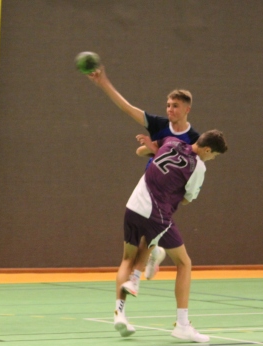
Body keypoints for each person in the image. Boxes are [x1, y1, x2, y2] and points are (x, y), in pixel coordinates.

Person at [86, 64, 200, 280]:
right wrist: (103, 83)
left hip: (170, 194)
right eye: (167, 105)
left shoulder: (194, 139)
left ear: (187, 109)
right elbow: (127, 108)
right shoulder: (159, 125)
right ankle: (150, 256)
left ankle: (151, 255)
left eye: (175, 106)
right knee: (141, 234)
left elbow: (196, 167)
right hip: (150, 188)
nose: (169, 109)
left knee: (152, 235)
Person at [113, 130, 227, 342]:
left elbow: (147, 151)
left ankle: (119, 312)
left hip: (132, 206)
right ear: (208, 149)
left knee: (128, 257)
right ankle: (182, 324)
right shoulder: (198, 166)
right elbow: (187, 199)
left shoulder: (172, 141)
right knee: (184, 263)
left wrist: (150, 148)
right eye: (214, 156)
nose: (212, 159)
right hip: (156, 212)